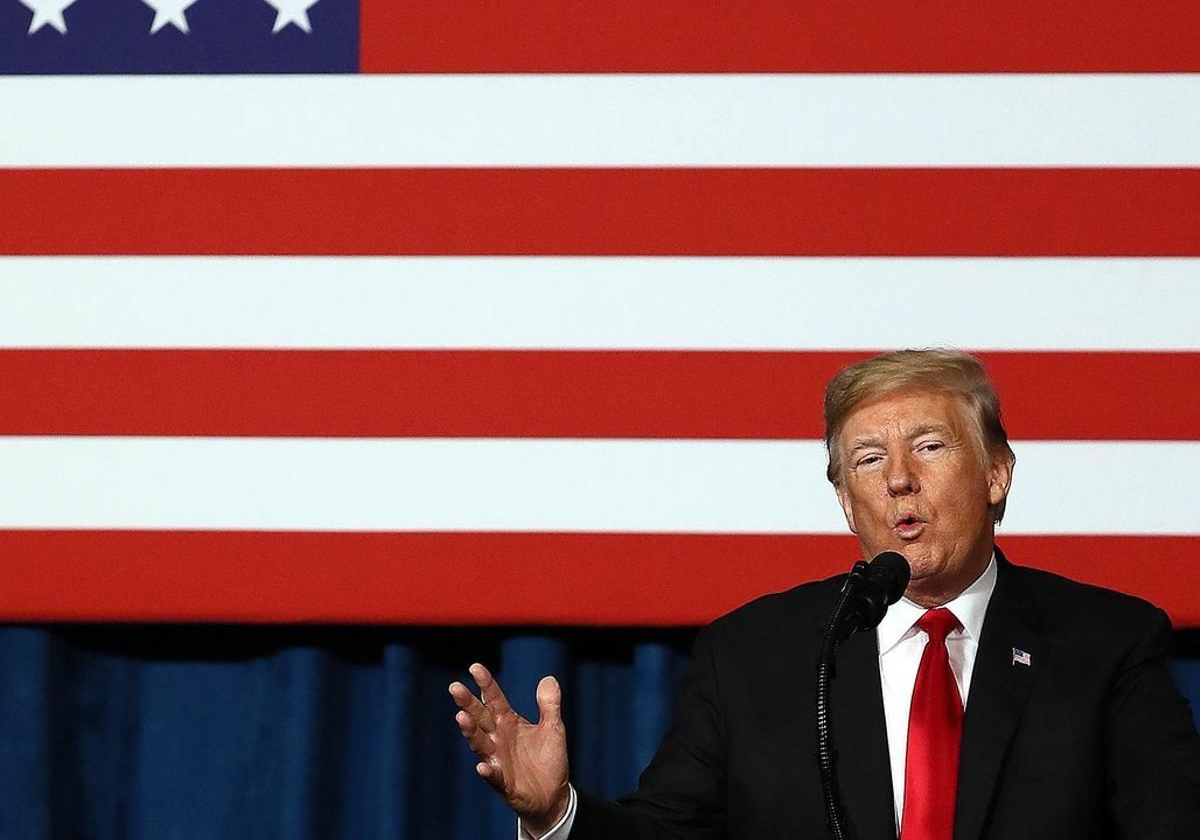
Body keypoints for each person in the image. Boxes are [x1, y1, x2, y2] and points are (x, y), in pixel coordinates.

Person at [449, 349, 1200, 838]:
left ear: (998, 472)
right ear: (847, 502)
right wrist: (557, 813)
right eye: (869, 459)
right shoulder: (754, 655)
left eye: (930, 446)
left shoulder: (1104, 644)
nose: (899, 478)